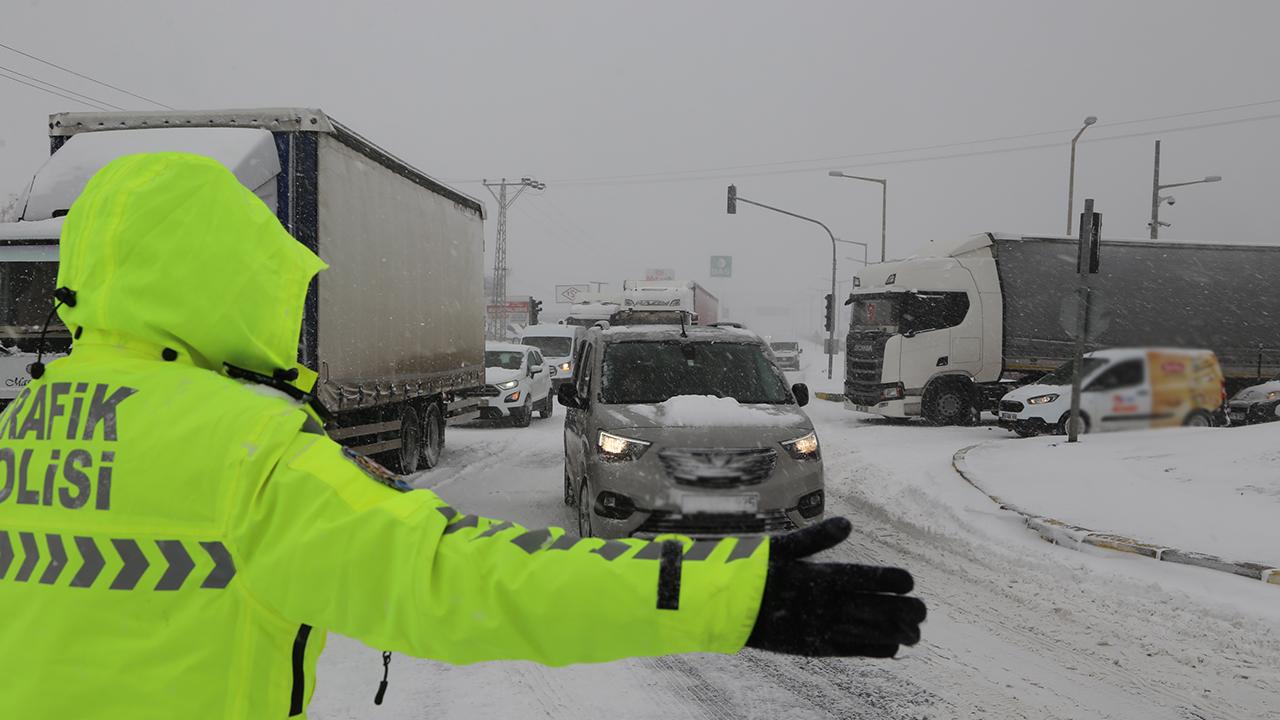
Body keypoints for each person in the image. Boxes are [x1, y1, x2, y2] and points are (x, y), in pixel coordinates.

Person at [0, 153, 925, 718]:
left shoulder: (15, 429)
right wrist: (730, 598)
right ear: (232, 285)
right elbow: (460, 579)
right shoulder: (250, 452)